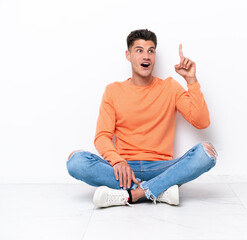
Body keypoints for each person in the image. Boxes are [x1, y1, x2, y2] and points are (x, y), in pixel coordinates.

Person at [66, 29, 217, 208]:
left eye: (150, 51)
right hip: (124, 169)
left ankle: (133, 194)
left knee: (207, 153)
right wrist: (118, 161)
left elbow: (202, 122)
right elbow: (102, 137)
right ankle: (160, 191)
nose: (146, 56)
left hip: (162, 168)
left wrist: (191, 81)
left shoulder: (170, 87)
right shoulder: (113, 91)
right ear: (128, 55)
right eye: (139, 50)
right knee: (75, 161)